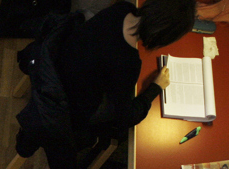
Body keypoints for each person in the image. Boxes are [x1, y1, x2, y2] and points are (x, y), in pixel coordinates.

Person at [56, 0, 196, 142]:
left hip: (62, 61)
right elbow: (126, 117)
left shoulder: (123, 8)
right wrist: (155, 88)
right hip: (70, 104)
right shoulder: (128, 62)